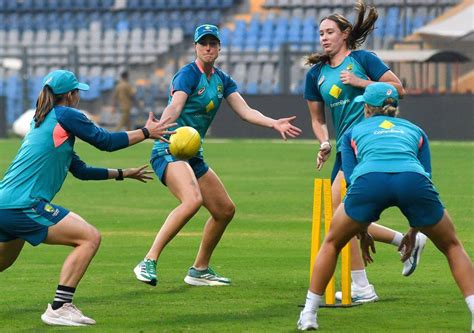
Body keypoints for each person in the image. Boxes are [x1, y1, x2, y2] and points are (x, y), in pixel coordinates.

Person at [0, 70, 174, 326]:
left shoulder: (45, 122)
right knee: (89, 237)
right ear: (70, 95)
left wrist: (122, 173)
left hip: (5, 204)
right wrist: (146, 132)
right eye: (77, 92)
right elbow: (105, 141)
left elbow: (80, 171)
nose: (79, 96)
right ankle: (59, 307)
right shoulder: (66, 114)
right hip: (23, 205)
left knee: (4, 261)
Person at [133, 24, 302, 287]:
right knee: (192, 201)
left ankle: (199, 270)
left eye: (213, 43)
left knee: (224, 210)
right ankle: (148, 261)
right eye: (203, 43)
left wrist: (273, 123)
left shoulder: (223, 80)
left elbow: (245, 111)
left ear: (220, 47)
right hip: (169, 148)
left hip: (193, 153)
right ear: (196, 48)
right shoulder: (187, 75)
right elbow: (176, 105)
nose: (208, 47)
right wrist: (158, 127)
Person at [297, 82, 474, 331]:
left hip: (370, 180)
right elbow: (426, 177)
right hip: (412, 180)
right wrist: (415, 230)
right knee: (452, 246)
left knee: (332, 243)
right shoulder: (417, 130)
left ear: (367, 108)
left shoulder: (352, 132)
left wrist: (361, 228)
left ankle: (309, 315)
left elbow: (351, 180)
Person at [304, 0, 426, 303]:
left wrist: (360, 82)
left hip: (371, 143)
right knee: (343, 217)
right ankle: (403, 242)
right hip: (346, 148)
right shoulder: (315, 74)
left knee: (340, 214)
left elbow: (398, 89)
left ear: (345, 34)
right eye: (320, 33)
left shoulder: (363, 59)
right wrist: (323, 142)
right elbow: (318, 120)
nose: (323, 38)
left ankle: (362, 285)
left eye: (329, 32)